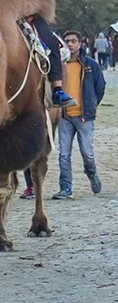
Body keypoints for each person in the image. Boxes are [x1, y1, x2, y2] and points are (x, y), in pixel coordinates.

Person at [52, 30, 105, 199]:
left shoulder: (90, 65)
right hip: (65, 117)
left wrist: (91, 105)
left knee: (87, 153)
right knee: (63, 154)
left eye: (73, 41)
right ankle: (65, 188)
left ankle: (92, 173)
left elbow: (100, 87)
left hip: (84, 116)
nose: (70, 44)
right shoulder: (59, 66)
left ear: (80, 43)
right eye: (67, 41)